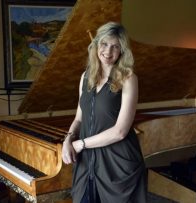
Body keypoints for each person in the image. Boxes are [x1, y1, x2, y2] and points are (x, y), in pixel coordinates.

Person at [62, 22, 147, 203]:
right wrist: (68, 139)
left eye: (115, 46)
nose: (108, 52)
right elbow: (79, 118)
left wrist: (80, 144)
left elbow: (120, 131)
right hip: (87, 162)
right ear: (96, 45)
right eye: (104, 44)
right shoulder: (85, 77)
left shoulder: (129, 79)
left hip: (118, 165)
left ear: (122, 50)